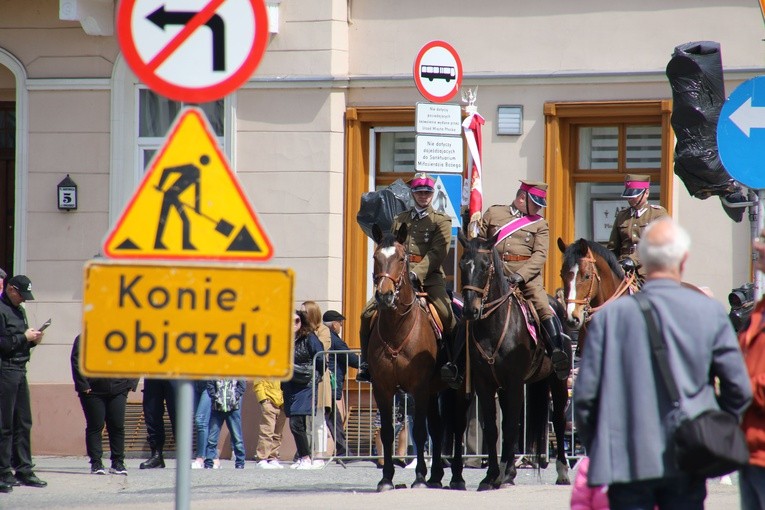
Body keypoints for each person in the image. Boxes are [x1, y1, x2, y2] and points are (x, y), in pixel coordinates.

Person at [573, 218, 752, 510]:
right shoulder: (709, 313)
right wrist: (713, 427)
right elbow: (739, 390)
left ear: (644, 259)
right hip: (687, 455)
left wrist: (603, 447)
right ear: (683, 259)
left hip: (626, 460)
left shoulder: (608, 320)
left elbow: (585, 399)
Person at [357, 172, 456, 382]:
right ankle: (366, 363)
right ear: (413, 193)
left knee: (448, 315)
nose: (423, 196)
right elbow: (391, 247)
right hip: (398, 278)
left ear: (432, 194)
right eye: (419, 192)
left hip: (429, 279)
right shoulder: (399, 220)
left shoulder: (441, 221)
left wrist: (415, 272)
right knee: (366, 314)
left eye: (427, 192)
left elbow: (438, 252)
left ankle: (452, 364)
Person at [473, 180, 570, 380]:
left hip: (526, 277)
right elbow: (479, 245)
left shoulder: (540, 225)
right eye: (535, 204)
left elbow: (540, 256)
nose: (538, 208)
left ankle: (556, 353)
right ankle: (457, 362)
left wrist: (521, 275)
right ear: (522, 198)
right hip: (493, 276)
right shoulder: (494, 213)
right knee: (469, 309)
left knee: (543, 306)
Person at [0, 274, 47, 489]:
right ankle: (3, 472)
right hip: (5, 371)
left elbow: (19, 342)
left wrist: (33, 340)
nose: (24, 299)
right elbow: (3, 344)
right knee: (5, 424)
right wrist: (23, 338)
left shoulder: (19, 310)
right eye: (21, 294)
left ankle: (24, 469)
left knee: (23, 422)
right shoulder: (1, 310)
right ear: (11, 289)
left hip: (20, 369)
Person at [70, 335, 138, 475]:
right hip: (92, 390)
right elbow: (77, 361)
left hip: (119, 388)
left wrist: (131, 382)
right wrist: (83, 384)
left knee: (117, 425)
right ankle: (96, 463)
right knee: (96, 425)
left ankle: (118, 462)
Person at [736, 231, 765, 509]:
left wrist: (738, 384)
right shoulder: (759, 310)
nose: (757, 245)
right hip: (750, 451)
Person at [282, 310, 325, 470]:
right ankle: (303, 456)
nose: (292, 324)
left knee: (296, 423)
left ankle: (306, 457)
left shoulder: (309, 337)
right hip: (290, 384)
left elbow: (320, 357)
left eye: (296, 321)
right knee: (298, 423)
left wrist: (317, 375)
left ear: (303, 322)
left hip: (305, 384)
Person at [607, 174, 668, 283]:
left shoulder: (658, 214)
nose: (630, 199)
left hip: (649, 269)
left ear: (646, 193)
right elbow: (613, 247)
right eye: (629, 196)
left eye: (634, 195)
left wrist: (633, 259)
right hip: (623, 269)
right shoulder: (622, 215)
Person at [323, 309, 360, 457]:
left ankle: (343, 451)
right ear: (333, 324)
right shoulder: (334, 340)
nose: (341, 326)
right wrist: (368, 365)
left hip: (327, 384)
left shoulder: (324, 337)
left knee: (330, 418)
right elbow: (351, 359)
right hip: (330, 385)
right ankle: (343, 451)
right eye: (340, 323)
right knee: (332, 418)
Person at [204, 379, 246, 469]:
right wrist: (215, 397)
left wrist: (235, 396)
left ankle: (240, 462)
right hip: (217, 408)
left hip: (233, 408)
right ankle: (209, 461)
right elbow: (210, 383)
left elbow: (242, 384)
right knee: (212, 437)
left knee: (237, 437)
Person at [139, 379, 177, 469]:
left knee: (178, 414)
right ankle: (156, 456)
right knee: (151, 413)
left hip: (176, 371)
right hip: (153, 371)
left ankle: (183, 456)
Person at [253, 378, 286, 469]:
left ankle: (273, 457)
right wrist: (263, 400)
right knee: (267, 430)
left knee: (278, 433)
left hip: (283, 402)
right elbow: (258, 382)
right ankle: (262, 458)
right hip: (269, 400)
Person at [191, 380, 219, 469]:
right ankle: (213, 457)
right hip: (194, 381)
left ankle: (201, 458)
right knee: (204, 422)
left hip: (209, 383)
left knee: (201, 421)